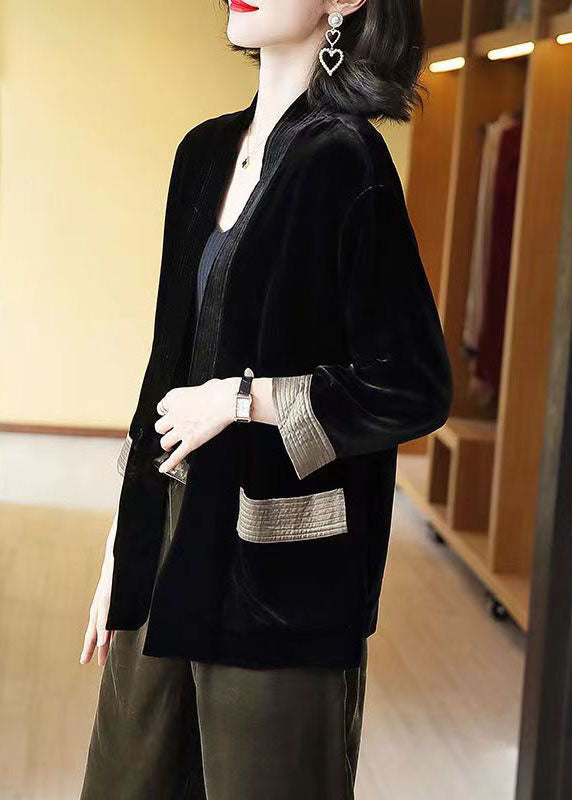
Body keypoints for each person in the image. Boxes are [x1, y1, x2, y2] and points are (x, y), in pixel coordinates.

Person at [79, 0, 452, 798]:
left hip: (278, 568)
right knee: (127, 779)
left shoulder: (348, 162)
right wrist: (121, 544)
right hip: (166, 535)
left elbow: (413, 385)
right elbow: (165, 367)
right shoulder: (203, 151)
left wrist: (240, 400)